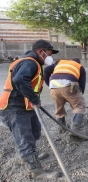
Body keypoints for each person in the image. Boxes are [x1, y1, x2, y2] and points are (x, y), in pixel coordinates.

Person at [0, 39, 59, 178]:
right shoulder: (29, 63)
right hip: (14, 107)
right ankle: (35, 170)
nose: (50, 58)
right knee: (25, 139)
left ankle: (29, 157)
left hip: (25, 106)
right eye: (49, 54)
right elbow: (19, 80)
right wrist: (34, 99)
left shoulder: (34, 63)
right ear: (40, 51)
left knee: (35, 132)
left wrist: (33, 100)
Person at [44, 58, 86, 135]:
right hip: (69, 86)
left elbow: (46, 70)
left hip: (53, 87)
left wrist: (49, 84)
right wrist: (79, 96)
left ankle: (62, 128)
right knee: (80, 106)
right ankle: (75, 130)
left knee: (59, 107)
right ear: (78, 62)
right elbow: (82, 84)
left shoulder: (59, 62)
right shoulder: (80, 66)